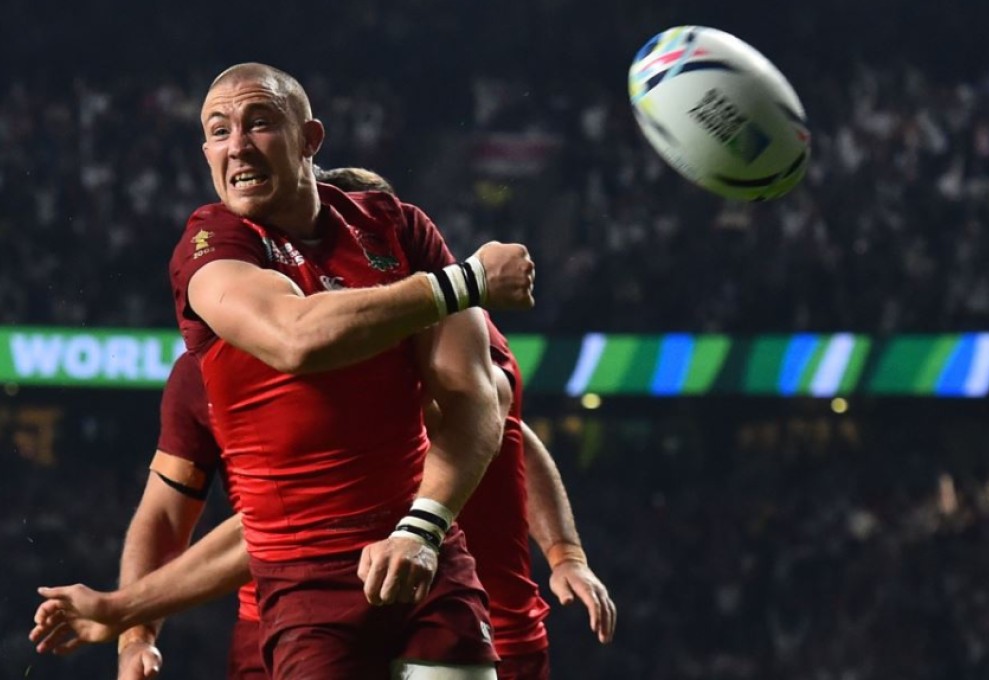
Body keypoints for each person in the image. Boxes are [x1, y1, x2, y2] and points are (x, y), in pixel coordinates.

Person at [31, 168, 614, 679]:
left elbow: (506, 433)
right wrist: (134, 630)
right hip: (292, 615)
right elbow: (174, 513)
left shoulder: (447, 341)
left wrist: (565, 552)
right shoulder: (207, 372)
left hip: (468, 607)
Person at [168, 61, 533, 680]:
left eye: (259, 123)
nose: (238, 146)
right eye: (219, 131)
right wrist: (466, 281)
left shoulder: (397, 226)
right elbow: (294, 339)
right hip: (306, 578)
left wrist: (423, 527)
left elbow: (476, 395)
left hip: (424, 554)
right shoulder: (211, 245)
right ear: (206, 152)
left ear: (310, 139)